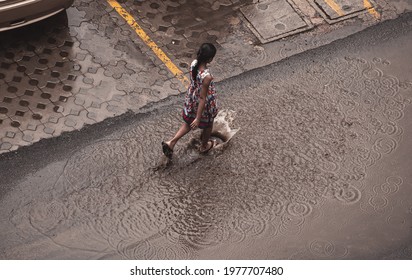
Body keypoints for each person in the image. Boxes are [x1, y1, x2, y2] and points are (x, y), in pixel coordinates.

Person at [162, 43, 218, 159]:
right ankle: (204, 145)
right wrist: (198, 118)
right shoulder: (207, 76)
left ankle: (171, 142)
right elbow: (203, 98)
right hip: (202, 102)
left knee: (188, 123)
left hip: (192, 98)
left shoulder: (193, 64)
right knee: (208, 124)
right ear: (210, 59)